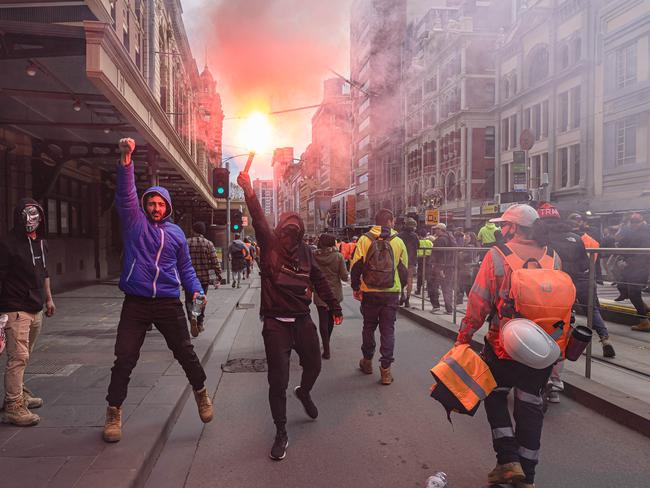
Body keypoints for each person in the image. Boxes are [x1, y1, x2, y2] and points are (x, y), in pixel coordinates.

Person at [103, 138, 213, 443]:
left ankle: (202, 393)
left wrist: (194, 292)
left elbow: (186, 269)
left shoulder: (176, 234)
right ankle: (114, 412)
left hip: (167, 302)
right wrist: (126, 161)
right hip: (136, 303)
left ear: (167, 207)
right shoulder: (134, 224)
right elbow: (125, 196)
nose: (155, 207)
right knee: (124, 358)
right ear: (145, 205)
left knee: (186, 353)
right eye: (151, 202)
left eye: (160, 203)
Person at [237, 171, 343, 461]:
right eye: (285, 229)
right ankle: (281, 431)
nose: (289, 235)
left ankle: (305, 392)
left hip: (302, 320)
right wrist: (249, 190)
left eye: (294, 231)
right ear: (279, 230)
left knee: (314, 366)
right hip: (275, 325)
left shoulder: (307, 254)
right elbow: (258, 219)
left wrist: (335, 307)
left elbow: (320, 281)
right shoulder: (269, 246)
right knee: (277, 381)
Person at [456, 204, 560, 488]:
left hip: (504, 344)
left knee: (493, 393)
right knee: (530, 405)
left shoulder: (497, 255)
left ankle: (508, 460)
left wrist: (464, 336)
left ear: (513, 227)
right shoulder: (552, 256)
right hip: (541, 349)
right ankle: (528, 476)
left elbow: (479, 300)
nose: (501, 230)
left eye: (504, 225)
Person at [536, 202, 615, 400]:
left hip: (550, 290)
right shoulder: (576, 238)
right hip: (576, 286)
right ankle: (556, 380)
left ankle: (544, 380)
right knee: (564, 328)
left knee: (545, 331)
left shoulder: (540, 239)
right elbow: (583, 264)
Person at [0, 199, 56, 426]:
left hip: (36, 308)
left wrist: (49, 299)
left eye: (35, 215)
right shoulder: (7, 243)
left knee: (25, 354)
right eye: (26, 215)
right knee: (18, 357)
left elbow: (44, 272)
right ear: (18, 217)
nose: (31, 220)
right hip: (15, 308)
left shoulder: (40, 242)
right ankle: (13, 405)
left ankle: (19, 393)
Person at [351, 209, 408, 386]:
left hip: (369, 291)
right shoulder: (398, 241)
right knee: (387, 330)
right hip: (391, 293)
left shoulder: (364, 239)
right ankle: (385, 371)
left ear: (375, 222)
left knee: (368, 327)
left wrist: (356, 287)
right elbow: (404, 270)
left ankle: (367, 362)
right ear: (390, 221)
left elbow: (355, 266)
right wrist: (401, 288)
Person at [313, 233, 348, 359]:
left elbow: (310, 273)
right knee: (331, 320)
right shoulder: (338, 256)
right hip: (334, 294)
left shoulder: (314, 256)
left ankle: (326, 348)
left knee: (322, 320)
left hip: (319, 292)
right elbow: (344, 276)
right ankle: (326, 342)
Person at [185, 221, 221, 337]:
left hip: (188, 278)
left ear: (193, 230)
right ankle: (199, 322)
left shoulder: (187, 242)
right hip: (204, 278)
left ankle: (191, 318)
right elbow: (215, 261)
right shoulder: (208, 243)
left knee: (189, 300)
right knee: (200, 300)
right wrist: (218, 276)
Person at [616, 213, 650, 331]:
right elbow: (622, 243)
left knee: (634, 293)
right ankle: (644, 308)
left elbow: (642, 254)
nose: (634, 224)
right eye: (632, 222)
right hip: (632, 266)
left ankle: (644, 321)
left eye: (636, 222)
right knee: (622, 286)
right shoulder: (632, 231)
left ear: (642, 222)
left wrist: (627, 262)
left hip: (640, 267)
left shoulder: (645, 232)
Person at [427, 223, 455, 314]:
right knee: (447, 287)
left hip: (440, 267)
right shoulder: (450, 238)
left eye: (436, 229)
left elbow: (438, 255)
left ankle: (436, 306)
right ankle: (449, 308)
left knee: (432, 285)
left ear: (441, 230)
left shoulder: (440, 240)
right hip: (449, 266)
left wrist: (438, 267)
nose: (435, 231)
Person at [398, 217, 419, 308]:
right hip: (411, 261)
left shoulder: (400, 235)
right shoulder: (415, 236)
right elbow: (417, 246)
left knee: (400, 279)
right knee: (409, 279)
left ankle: (402, 294)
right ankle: (407, 300)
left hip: (401, 261)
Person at [415, 228, 433, 296]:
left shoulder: (418, 242)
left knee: (420, 276)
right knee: (428, 277)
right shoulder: (429, 242)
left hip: (420, 260)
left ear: (419, 235)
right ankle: (429, 292)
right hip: (428, 260)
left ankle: (418, 290)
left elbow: (416, 252)